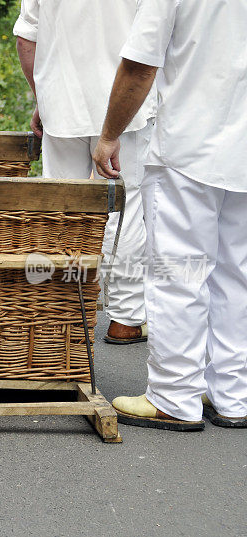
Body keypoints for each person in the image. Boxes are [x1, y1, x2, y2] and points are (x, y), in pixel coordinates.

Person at [93, 0, 247, 430]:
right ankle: (233, 396)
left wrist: (109, 136)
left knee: (179, 272)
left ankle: (174, 395)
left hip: (190, 144)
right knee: (236, 275)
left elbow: (141, 65)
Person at [14, 0, 156, 345]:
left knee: (62, 212)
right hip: (125, 102)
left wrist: (42, 99)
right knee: (127, 207)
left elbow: (26, 38)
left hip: (62, 102)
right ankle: (124, 318)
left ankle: (60, 318)